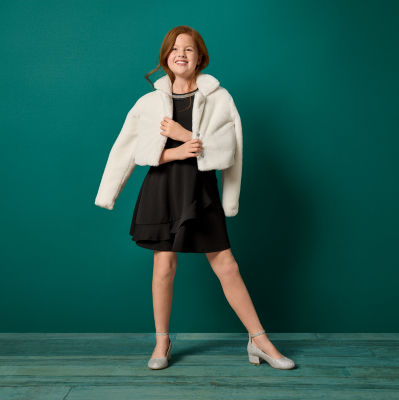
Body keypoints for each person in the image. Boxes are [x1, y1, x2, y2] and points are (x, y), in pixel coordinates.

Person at [94, 25, 295, 371]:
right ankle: (162, 342)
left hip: (200, 192)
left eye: (188, 49)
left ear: (200, 57)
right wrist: (170, 154)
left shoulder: (220, 98)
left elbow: (229, 151)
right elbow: (129, 149)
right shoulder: (148, 103)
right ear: (165, 57)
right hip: (161, 191)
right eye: (174, 49)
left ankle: (259, 340)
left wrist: (185, 135)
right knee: (164, 266)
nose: (181, 55)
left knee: (227, 265)